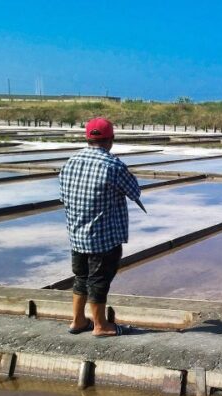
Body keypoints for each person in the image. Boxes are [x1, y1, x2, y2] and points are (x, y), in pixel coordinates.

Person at [59, 117, 142, 337]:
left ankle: (78, 321)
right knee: (99, 280)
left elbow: (63, 197)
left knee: (81, 278)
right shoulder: (112, 165)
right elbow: (135, 191)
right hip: (103, 238)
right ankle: (100, 325)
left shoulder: (70, 162)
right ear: (111, 139)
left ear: (87, 138)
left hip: (77, 236)